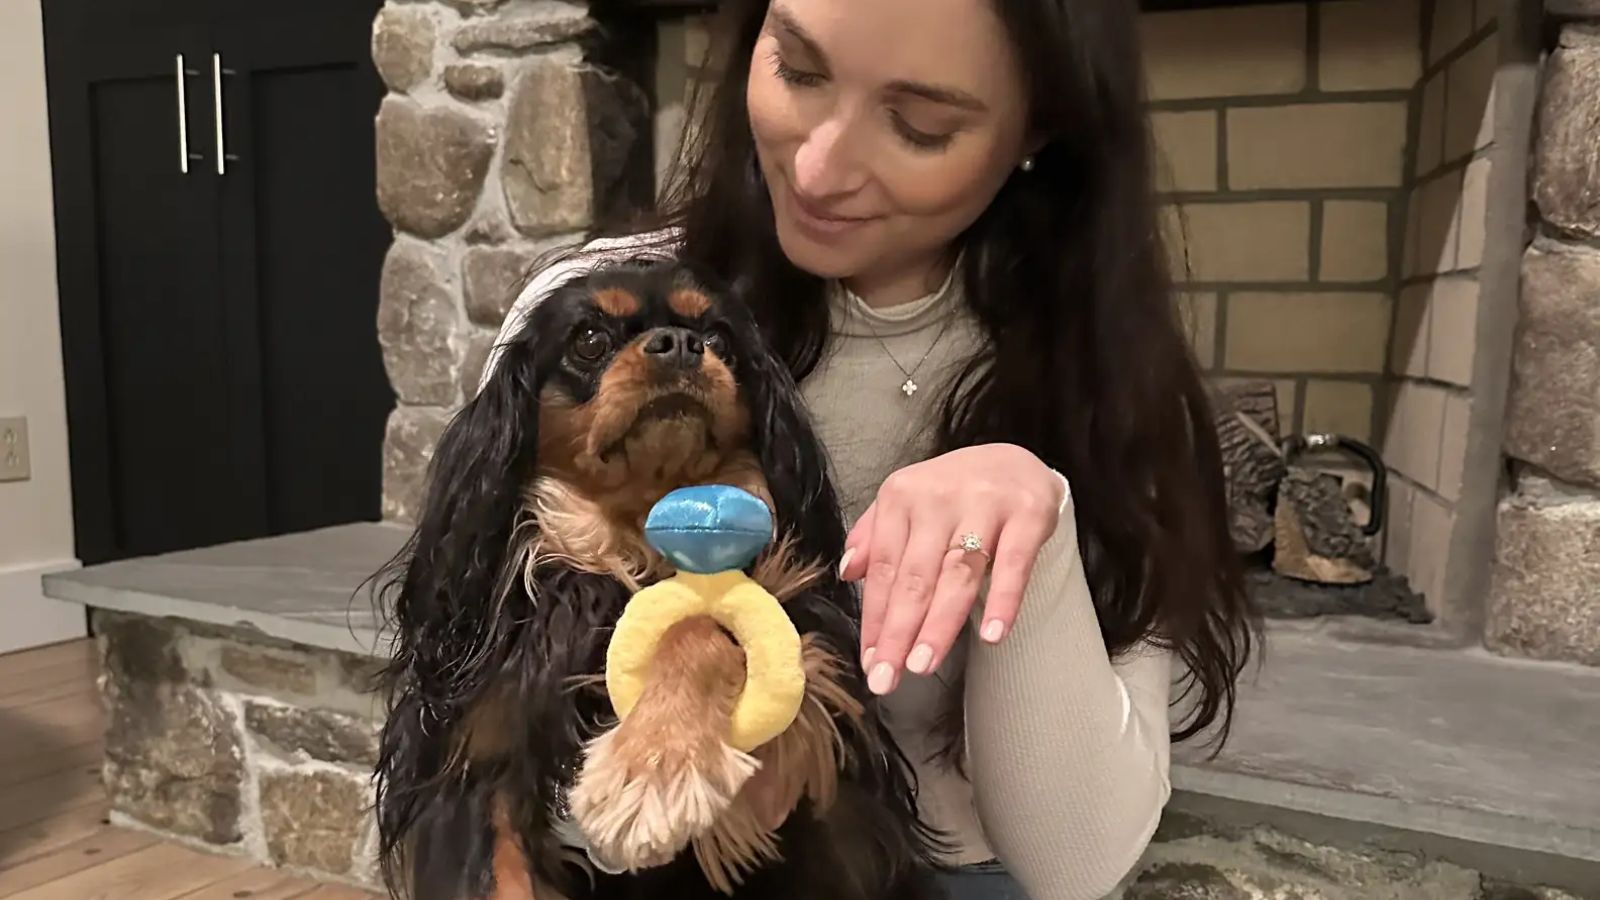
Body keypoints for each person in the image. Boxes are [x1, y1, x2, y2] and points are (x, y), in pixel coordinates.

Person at [480, 0, 1260, 897]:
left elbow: (1076, 865)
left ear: (1039, 127)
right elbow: (494, 717)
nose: (818, 167)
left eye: (919, 126)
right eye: (799, 70)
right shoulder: (592, 314)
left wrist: (1029, 530)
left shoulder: (1106, 383)